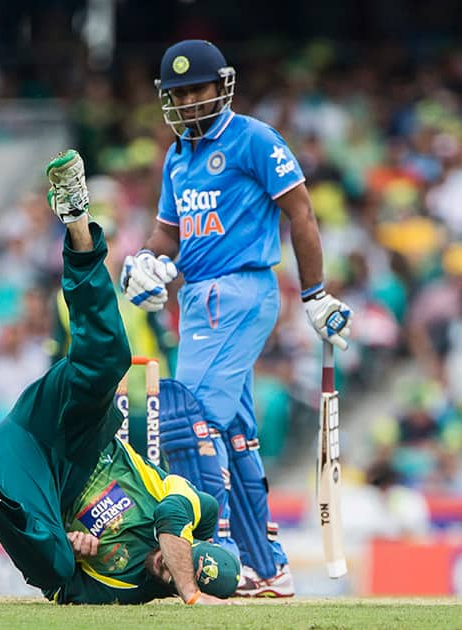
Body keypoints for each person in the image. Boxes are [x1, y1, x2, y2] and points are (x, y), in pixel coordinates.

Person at [0, 149, 239, 605]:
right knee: (110, 356)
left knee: (56, 560)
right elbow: (174, 511)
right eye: (191, 554)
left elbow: (61, 588)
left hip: (29, 469)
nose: (173, 560)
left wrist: (72, 541)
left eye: (189, 573)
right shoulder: (195, 510)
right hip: (80, 437)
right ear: (200, 542)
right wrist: (191, 593)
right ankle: (77, 217)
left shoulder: (121, 592)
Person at [120, 40, 353, 597]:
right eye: (177, 93)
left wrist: (316, 294)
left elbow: (299, 210)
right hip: (198, 299)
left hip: (240, 291)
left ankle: (214, 554)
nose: (187, 100)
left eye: (196, 89)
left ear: (221, 86)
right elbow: (167, 234)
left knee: (185, 416)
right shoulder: (178, 157)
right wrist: (148, 262)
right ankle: (266, 568)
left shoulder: (252, 139)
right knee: (237, 435)